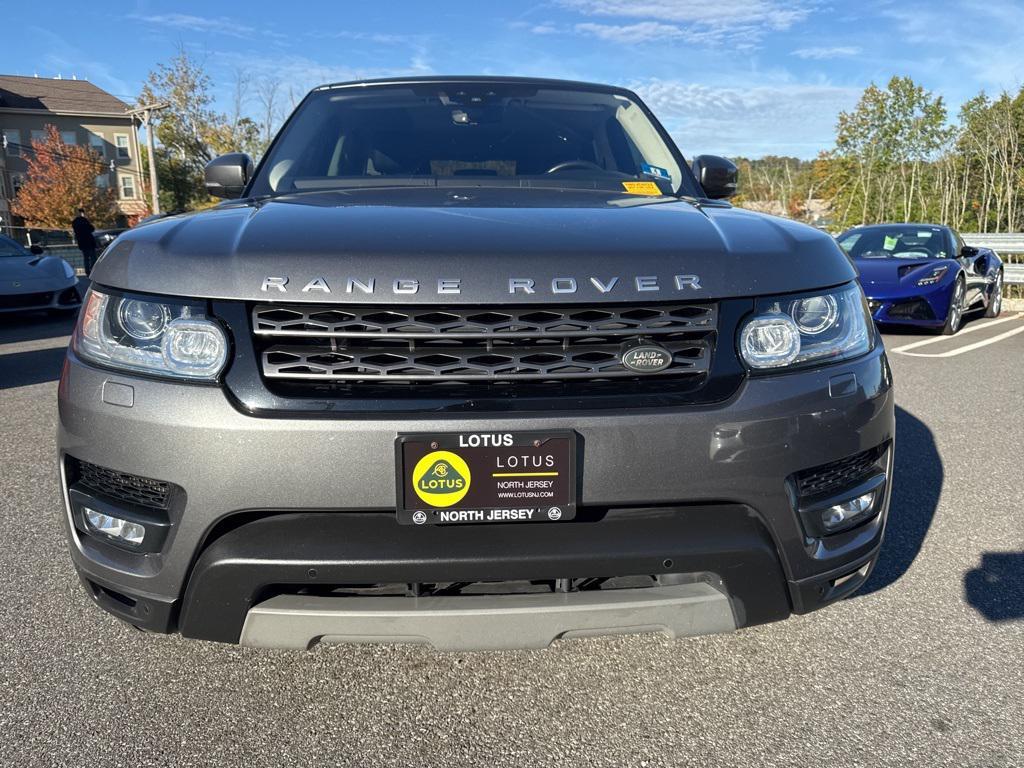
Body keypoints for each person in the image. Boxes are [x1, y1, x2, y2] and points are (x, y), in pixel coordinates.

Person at [71, 208, 97, 276]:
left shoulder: (75, 222)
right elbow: (92, 228)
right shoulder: (84, 220)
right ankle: (92, 270)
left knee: (86, 258)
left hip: (82, 242)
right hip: (88, 241)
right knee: (93, 257)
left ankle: (87, 271)